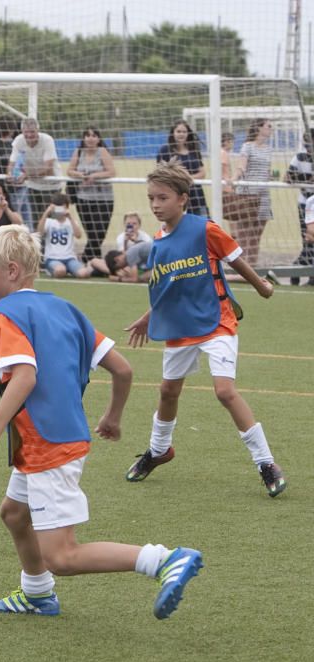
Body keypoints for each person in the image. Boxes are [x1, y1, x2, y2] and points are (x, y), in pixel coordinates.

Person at [0, 223, 202, 620]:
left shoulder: (5, 316)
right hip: (59, 436)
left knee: (63, 556)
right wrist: (112, 417)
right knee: (14, 513)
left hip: (48, 443)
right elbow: (122, 370)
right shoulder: (64, 307)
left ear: (13, 271)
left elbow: (24, 377)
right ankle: (37, 594)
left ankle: (163, 560)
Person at [124, 164, 285, 497]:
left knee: (225, 392)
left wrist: (261, 287)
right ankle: (159, 450)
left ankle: (266, 462)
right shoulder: (158, 240)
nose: (155, 205)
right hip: (181, 326)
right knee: (168, 392)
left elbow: (236, 259)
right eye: (151, 198)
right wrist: (147, 316)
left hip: (216, 321)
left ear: (183, 199)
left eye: (163, 198)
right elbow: (168, 288)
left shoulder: (204, 229)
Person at [228, 118, 274, 266]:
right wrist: (234, 178)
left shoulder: (268, 149)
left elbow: (266, 171)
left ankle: (252, 268)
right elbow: (241, 166)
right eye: (268, 126)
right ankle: (241, 269)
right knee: (243, 235)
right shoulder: (247, 146)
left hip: (263, 195)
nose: (271, 129)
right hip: (248, 195)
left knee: (256, 236)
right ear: (259, 128)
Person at [66, 125, 115, 263]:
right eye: (88, 135)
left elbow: (111, 172)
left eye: (94, 135)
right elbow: (70, 171)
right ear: (83, 138)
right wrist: (80, 175)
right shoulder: (79, 151)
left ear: (98, 138)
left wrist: (94, 176)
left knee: (98, 234)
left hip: (103, 199)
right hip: (83, 199)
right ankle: (95, 263)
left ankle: (86, 259)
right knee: (91, 233)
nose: (90, 138)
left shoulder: (103, 151)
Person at [9, 118, 61, 222]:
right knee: (36, 222)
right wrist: (10, 174)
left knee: (53, 221)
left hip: (52, 186)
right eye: (26, 132)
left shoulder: (47, 140)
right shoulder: (19, 141)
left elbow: (47, 169)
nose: (29, 135)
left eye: (32, 131)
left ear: (38, 130)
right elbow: (12, 163)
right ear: (22, 131)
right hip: (33, 186)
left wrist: (27, 175)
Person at [156, 119, 207, 216]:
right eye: (178, 131)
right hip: (175, 196)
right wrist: (179, 179)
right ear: (173, 133)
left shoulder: (193, 150)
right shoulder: (165, 150)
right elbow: (160, 173)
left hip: (196, 196)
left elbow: (202, 173)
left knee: (202, 227)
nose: (181, 134)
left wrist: (188, 178)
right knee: (177, 227)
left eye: (184, 132)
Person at [37, 193, 90, 278]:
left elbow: (78, 235)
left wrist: (70, 217)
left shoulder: (71, 222)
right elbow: (39, 233)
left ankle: (70, 269)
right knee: (60, 271)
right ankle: (54, 269)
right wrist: (46, 213)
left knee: (84, 273)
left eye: (62, 207)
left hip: (69, 258)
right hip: (52, 258)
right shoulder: (49, 222)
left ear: (66, 207)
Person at [285, 130, 314, 285]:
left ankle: (298, 269)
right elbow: (287, 177)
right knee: (308, 238)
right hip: (306, 204)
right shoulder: (299, 157)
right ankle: (299, 271)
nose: (306, 144)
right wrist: (307, 179)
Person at [89, 211, 152, 277]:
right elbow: (122, 258)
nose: (131, 226)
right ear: (124, 225)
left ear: (139, 225)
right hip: (125, 264)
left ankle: (115, 273)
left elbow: (146, 255)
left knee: (127, 270)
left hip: (141, 265)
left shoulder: (145, 237)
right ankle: (115, 272)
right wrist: (125, 242)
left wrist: (135, 241)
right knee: (94, 261)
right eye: (128, 224)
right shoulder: (121, 237)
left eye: (134, 224)